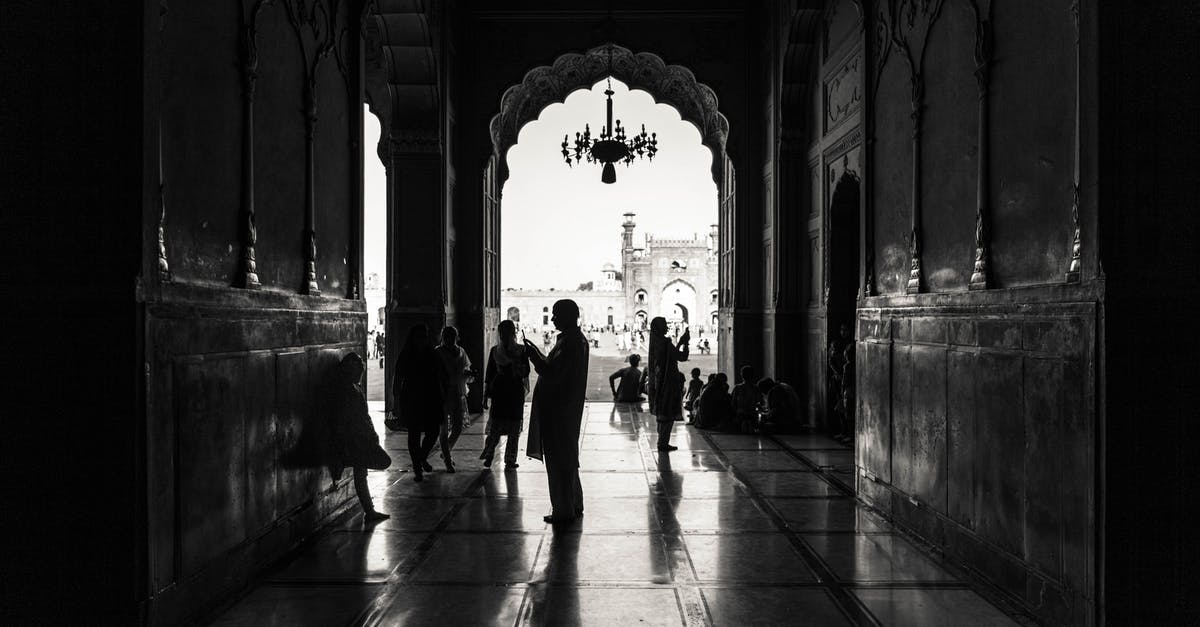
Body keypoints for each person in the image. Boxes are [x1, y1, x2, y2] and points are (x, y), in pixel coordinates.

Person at [524, 299, 589, 524]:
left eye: (556, 314)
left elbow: (553, 375)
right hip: (565, 409)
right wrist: (539, 354)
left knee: (559, 460)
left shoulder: (571, 342)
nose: (552, 319)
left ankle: (563, 510)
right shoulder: (573, 340)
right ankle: (574, 504)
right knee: (567, 458)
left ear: (569, 315)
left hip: (560, 411)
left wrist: (534, 357)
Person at [328, 353, 391, 520]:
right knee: (372, 466)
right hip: (355, 438)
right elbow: (345, 418)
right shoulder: (347, 391)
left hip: (360, 437)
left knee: (361, 472)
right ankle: (369, 511)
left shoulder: (353, 388)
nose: (360, 372)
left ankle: (369, 510)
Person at [394, 324, 443, 482]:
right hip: (412, 397)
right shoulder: (407, 354)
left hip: (430, 397)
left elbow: (439, 375)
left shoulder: (431, 353)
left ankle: (421, 458)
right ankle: (417, 466)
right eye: (419, 336)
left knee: (433, 432)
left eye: (424, 336)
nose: (421, 340)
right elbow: (398, 378)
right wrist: (396, 401)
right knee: (414, 433)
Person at [481, 320, 530, 470]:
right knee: (511, 427)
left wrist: (485, 396)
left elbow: (489, 376)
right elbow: (525, 371)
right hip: (512, 391)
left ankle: (491, 455)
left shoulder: (496, 351)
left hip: (502, 391)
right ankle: (508, 458)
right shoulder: (520, 350)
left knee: (499, 425)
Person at [647, 316, 689, 451]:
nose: (667, 327)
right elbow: (681, 357)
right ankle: (662, 443)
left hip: (659, 382)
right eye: (664, 325)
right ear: (659, 327)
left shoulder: (655, 341)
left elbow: (669, 356)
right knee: (668, 413)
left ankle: (662, 442)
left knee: (662, 412)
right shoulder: (664, 343)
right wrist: (685, 342)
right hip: (668, 383)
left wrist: (679, 342)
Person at [434, 326, 473, 473]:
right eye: (447, 336)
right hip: (443, 393)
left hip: (458, 391)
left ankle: (446, 452)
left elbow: (465, 369)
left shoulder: (461, 351)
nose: (450, 339)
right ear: (443, 337)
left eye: (452, 336)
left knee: (457, 427)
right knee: (443, 428)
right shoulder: (437, 352)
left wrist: (468, 373)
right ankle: (448, 460)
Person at [828, 323, 852, 438]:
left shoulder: (849, 346)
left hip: (846, 384)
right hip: (839, 381)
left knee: (846, 410)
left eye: (845, 329)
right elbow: (831, 362)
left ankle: (847, 433)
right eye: (841, 330)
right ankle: (843, 431)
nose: (843, 332)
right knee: (841, 408)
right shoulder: (837, 344)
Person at [731, 365, 763, 434]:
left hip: (740, 416)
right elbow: (760, 403)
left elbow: (733, 404)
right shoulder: (756, 389)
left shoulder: (737, 388)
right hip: (752, 416)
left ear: (742, 375)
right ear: (753, 375)